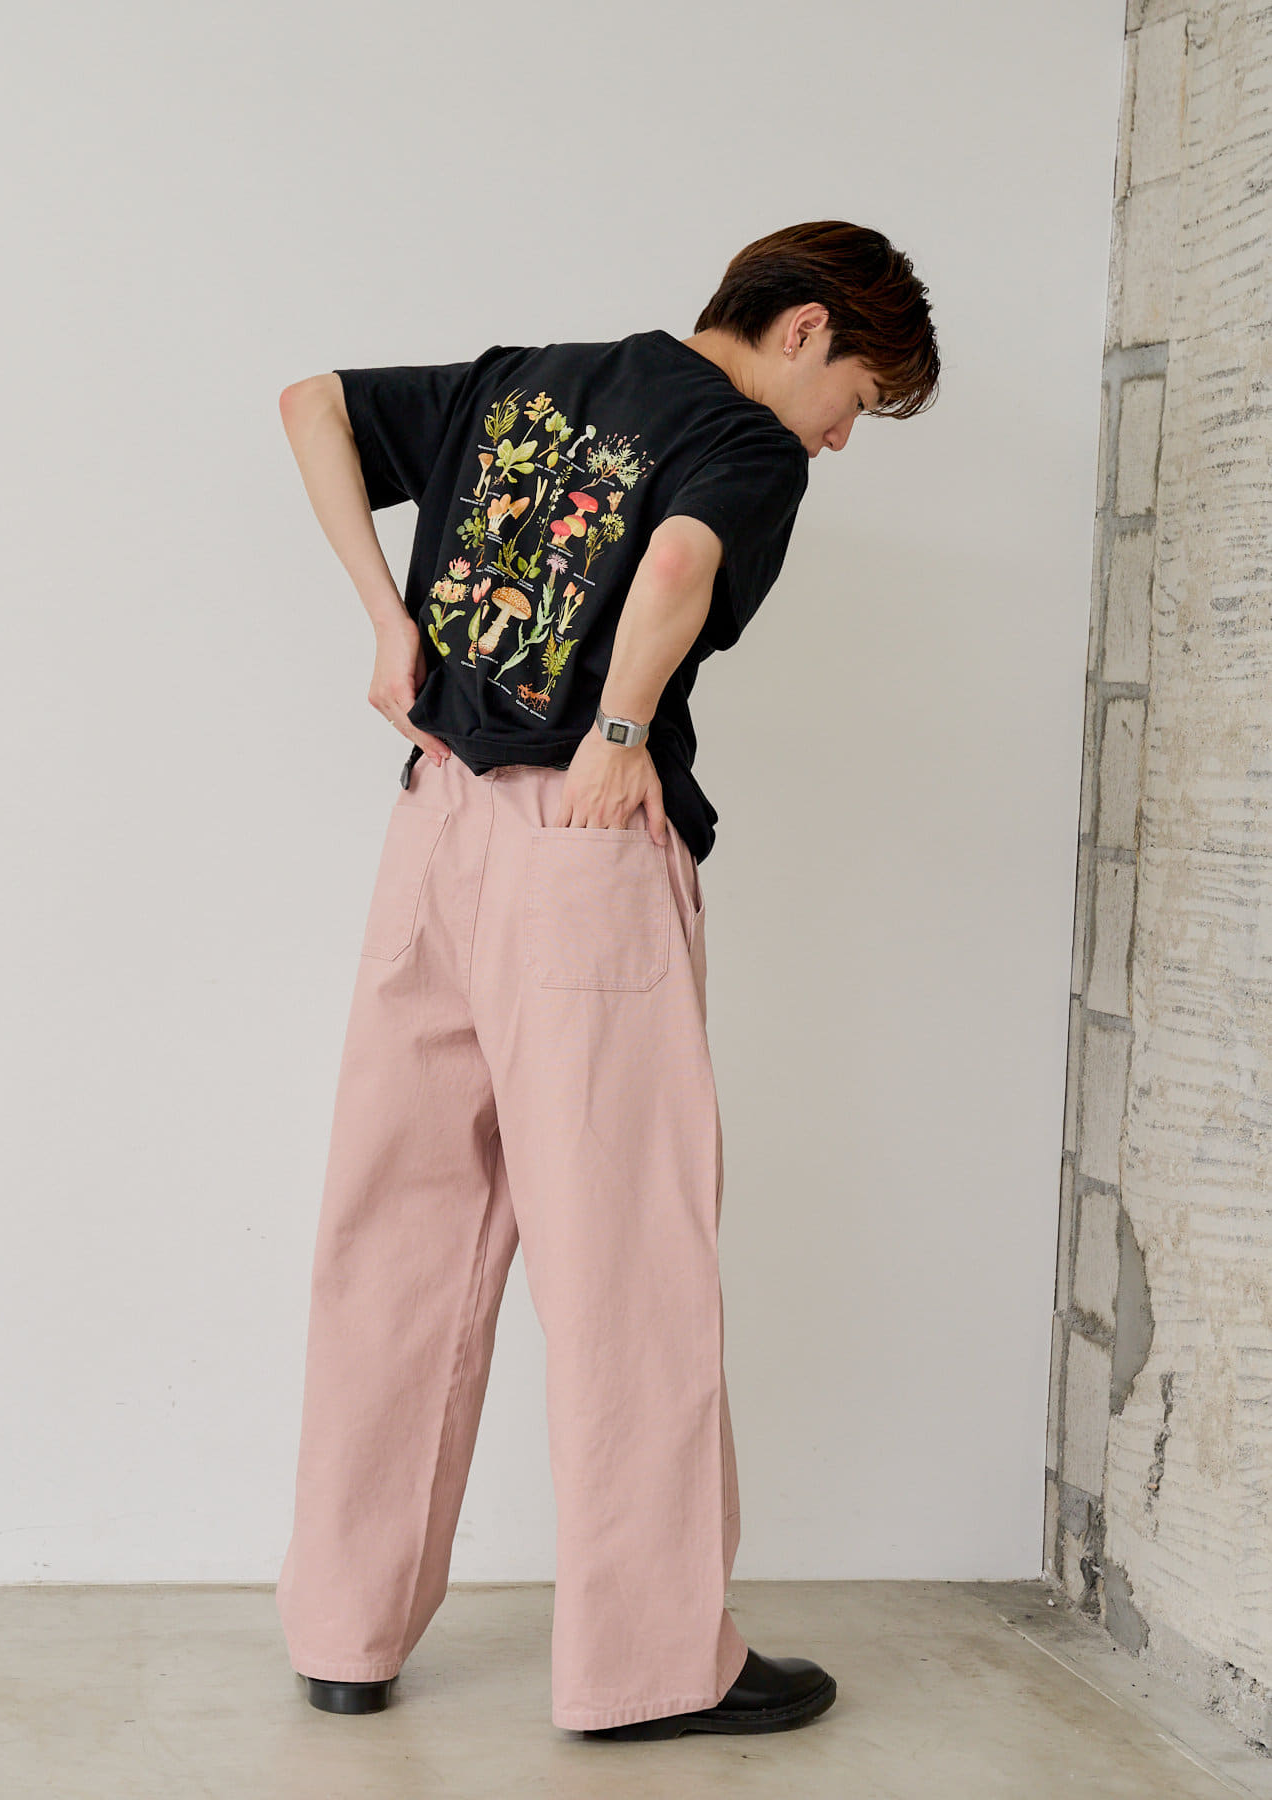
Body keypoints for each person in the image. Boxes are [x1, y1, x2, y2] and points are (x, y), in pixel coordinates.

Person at [274, 220, 940, 1741]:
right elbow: (684, 558)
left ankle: (344, 1629)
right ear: (804, 328)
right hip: (581, 848)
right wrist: (621, 730)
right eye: (858, 398)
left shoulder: (528, 379)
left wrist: (387, 624)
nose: (841, 439)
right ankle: (649, 1666)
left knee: (395, 1234)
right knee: (627, 1263)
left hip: (434, 833)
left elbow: (311, 405)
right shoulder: (741, 441)